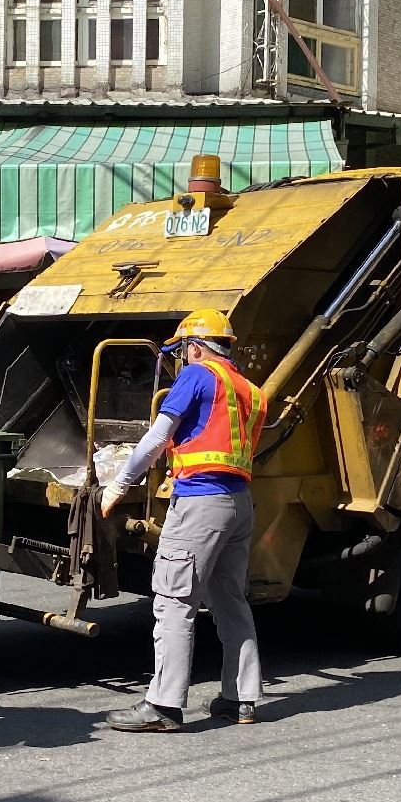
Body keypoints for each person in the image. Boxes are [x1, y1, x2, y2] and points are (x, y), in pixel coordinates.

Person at [99, 310, 268, 732]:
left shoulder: (197, 375)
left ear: (194, 347)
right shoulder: (251, 390)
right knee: (230, 600)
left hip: (200, 502)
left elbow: (158, 436)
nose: (180, 359)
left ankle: (164, 705)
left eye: (181, 351)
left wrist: (119, 484)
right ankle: (241, 698)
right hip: (239, 503)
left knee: (174, 601)